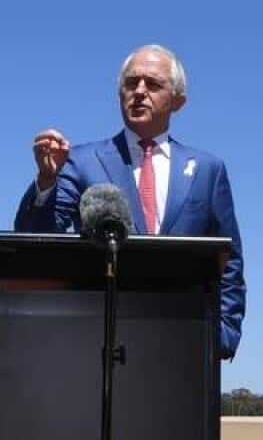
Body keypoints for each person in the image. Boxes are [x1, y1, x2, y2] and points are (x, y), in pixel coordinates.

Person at [14, 44, 245, 357]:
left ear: (178, 101)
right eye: (130, 83)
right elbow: (36, 238)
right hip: (99, 341)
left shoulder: (207, 170)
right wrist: (46, 182)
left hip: (183, 344)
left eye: (152, 84)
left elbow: (229, 260)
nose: (139, 91)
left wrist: (224, 335)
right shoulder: (81, 162)